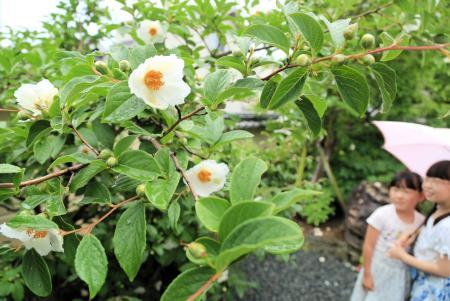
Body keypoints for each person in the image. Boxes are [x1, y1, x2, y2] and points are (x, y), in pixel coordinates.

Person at [351, 171, 425, 301]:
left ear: (420, 196)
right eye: (395, 189)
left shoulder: (420, 221)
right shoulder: (382, 214)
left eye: (406, 192)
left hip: (400, 272)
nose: (399, 196)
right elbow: (369, 245)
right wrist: (367, 274)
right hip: (377, 269)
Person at [389, 161, 450, 301]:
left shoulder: (448, 225)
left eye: (436, 181)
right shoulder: (438, 209)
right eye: (427, 178)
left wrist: (402, 256)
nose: (427, 185)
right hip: (423, 284)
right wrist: (414, 234)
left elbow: (444, 270)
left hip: (436, 292)